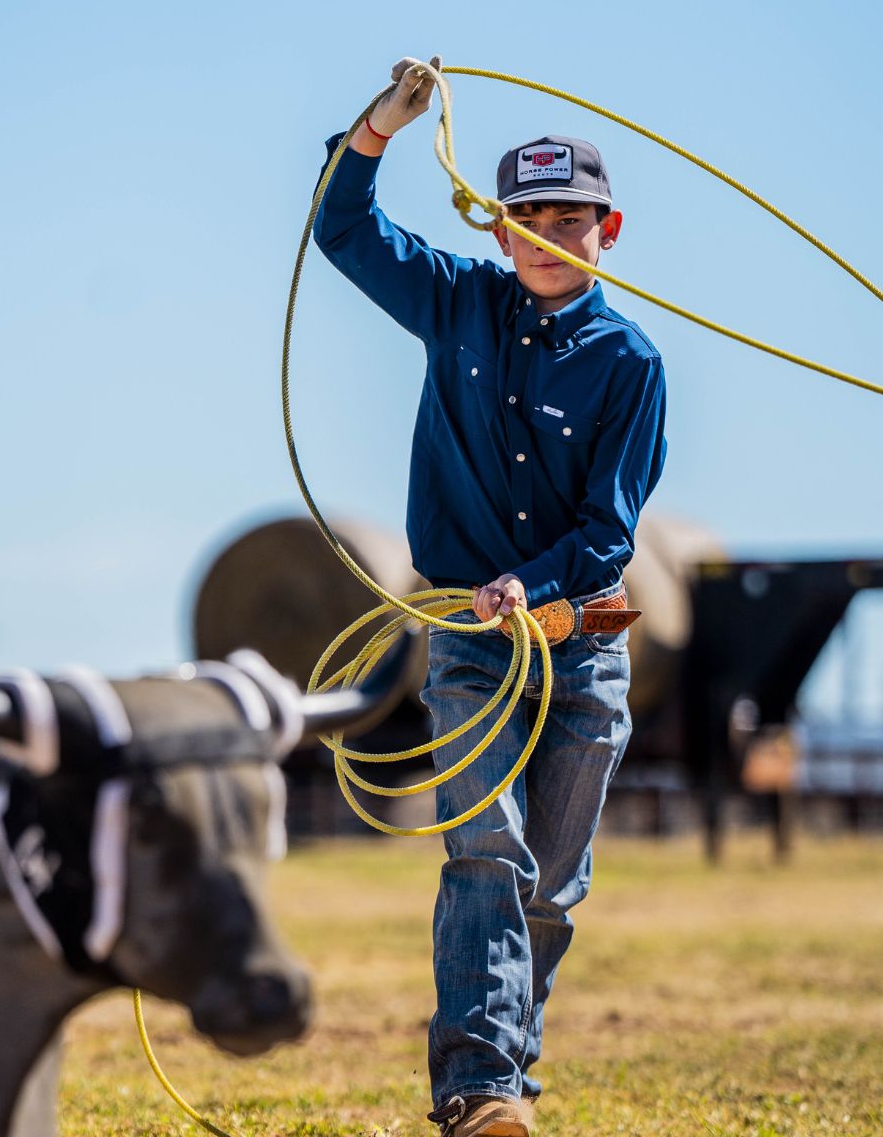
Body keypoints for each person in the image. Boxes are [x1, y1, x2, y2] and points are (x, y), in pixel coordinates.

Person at [313, 57, 667, 1137]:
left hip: (581, 647)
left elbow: (609, 529)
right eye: (529, 218)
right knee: (487, 851)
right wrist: (378, 128)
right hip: (468, 637)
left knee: (550, 887)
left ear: (610, 231)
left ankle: (504, 1066)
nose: (550, 235)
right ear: (499, 228)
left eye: (573, 217)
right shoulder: (454, 302)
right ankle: (478, 1090)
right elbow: (342, 234)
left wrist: (539, 580)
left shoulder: (630, 363)